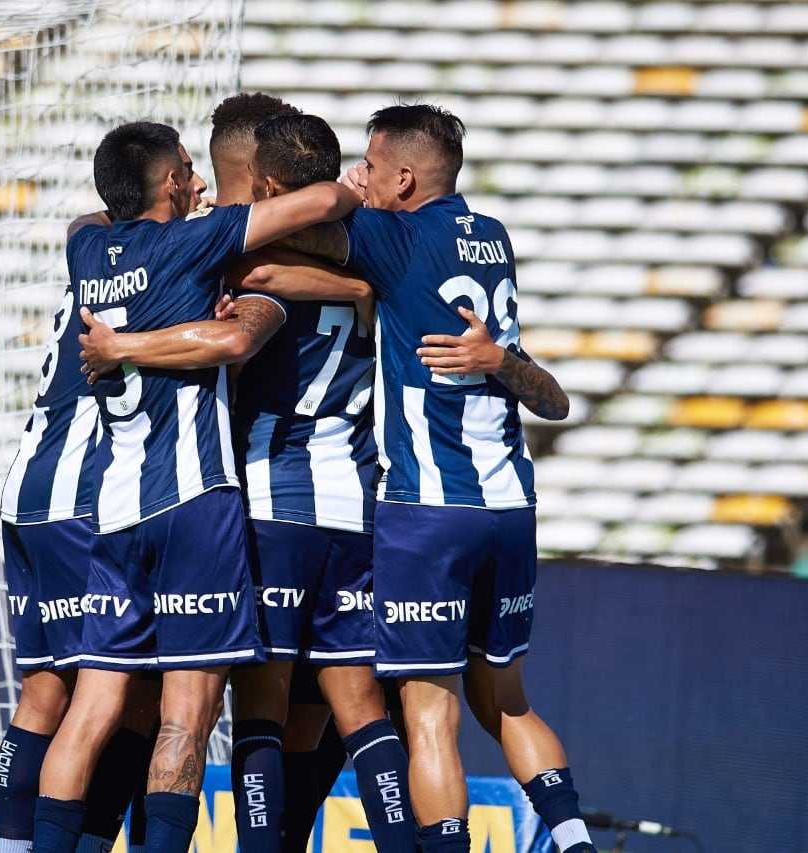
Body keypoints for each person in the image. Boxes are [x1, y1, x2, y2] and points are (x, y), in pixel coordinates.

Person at [237, 104, 597, 853]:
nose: (359, 177)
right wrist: (498, 360)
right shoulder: (493, 237)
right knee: (507, 702)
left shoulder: (394, 238)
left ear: (403, 179)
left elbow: (280, 233)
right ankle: (574, 841)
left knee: (429, 717)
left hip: (427, 511)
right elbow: (556, 401)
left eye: (369, 166)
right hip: (512, 505)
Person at [76, 113, 415, 853]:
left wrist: (128, 341)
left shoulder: (226, 257)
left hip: (263, 500)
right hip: (355, 502)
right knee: (355, 710)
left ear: (262, 184)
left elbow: (239, 314)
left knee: (224, 710)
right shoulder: (381, 260)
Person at [0, 203, 167, 853]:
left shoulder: (90, 251)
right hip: (81, 501)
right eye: (184, 174)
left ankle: (8, 845)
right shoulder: (156, 267)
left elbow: (79, 221)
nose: (196, 185)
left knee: (43, 695)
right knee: (129, 699)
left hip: (25, 490)